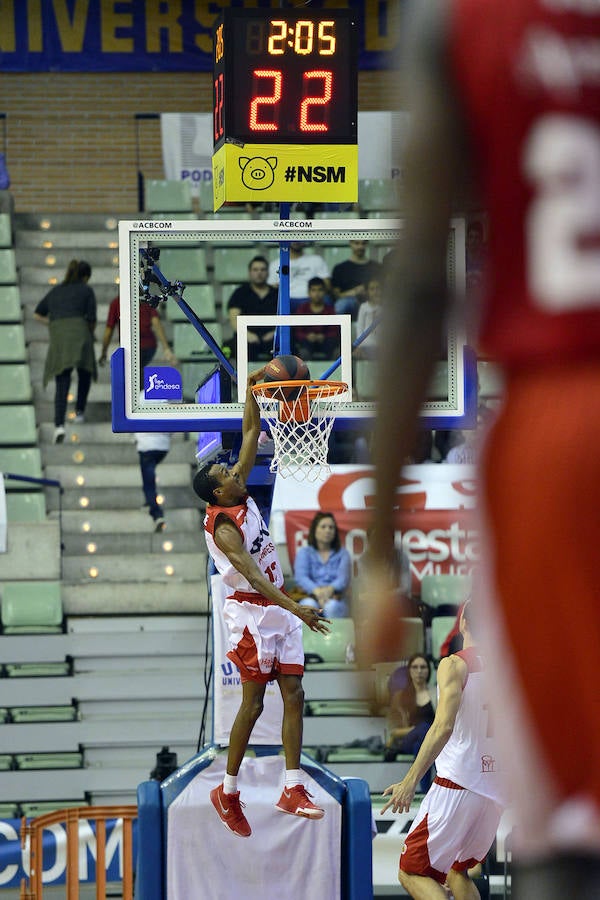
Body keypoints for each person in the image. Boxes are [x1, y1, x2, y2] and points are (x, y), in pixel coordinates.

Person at [369, 0, 600, 895]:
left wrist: (381, 551)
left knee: (571, 835)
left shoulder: (456, 24)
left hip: (557, 423)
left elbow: (423, 281)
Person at [192, 368, 330, 838]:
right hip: (252, 613)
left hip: (279, 606)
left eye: (230, 469)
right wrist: (297, 609)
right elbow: (251, 577)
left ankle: (291, 786)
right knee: (252, 706)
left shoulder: (240, 486)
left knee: (295, 694)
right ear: (217, 492)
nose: (233, 471)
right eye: (224, 473)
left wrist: (254, 385)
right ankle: (227, 792)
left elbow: (251, 429)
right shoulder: (224, 527)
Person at [381, 603, 505, 898]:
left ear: (463, 622)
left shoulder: (454, 664)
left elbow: (442, 727)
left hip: (458, 783)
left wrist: (410, 780)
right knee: (457, 871)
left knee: (411, 871)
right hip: (495, 789)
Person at [33, 259, 97, 444]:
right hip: (80, 332)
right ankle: (79, 412)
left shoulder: (56, 290)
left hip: (60, 337)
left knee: (62, 381)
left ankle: (59, 425)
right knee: (85, 373)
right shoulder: (86, 290)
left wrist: (53, 324)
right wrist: (90, 335)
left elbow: (37, 314)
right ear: (85, 277)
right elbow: (91, 318)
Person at [98, 295, 176, 383]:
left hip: (138, 346)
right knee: (136, 371)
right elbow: (156, 323)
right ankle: (139, 389)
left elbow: (109, 330)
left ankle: (138, 390)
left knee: (134, 372)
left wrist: (104, 352)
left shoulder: (118, 302)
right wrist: (166, 348)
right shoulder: (145, 301)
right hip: (147, 346)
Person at [293, 511, 352, 619]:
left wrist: (329, 590)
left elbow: (343, 579)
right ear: (315, 530)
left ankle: (334, 636)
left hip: (335, 597)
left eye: (331, 527)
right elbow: (301, 577)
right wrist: (317, 591)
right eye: (323, 527)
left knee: (331, 606)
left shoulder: (343, 553)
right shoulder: (304, 552)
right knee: (308, 605)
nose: (328, 530)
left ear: (335, 532)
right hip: (310, 595)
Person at [384, 653, 435, 763]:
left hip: (429, 742)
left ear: (429, 670)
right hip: (407, 741)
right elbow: (393, 730)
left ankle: (423, 781)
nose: (419, 671)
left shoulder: (437, 694)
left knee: (419, 746)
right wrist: (417, 729)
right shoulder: (399, 697)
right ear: (409, 670)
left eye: (423, 667)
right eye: (415, 667)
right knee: (424, 728)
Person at [226, 256, 278, 361]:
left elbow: (285, 318)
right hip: (247, 337)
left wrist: (275, 334)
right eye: (255, 270)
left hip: (272, 338)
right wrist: (247, 335)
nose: (259, 273)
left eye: (263, 270)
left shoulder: (277, 294)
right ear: (249, 272)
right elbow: (233, 319)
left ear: (268, 273)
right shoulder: (240, 293)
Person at [268, 242, 331, 312]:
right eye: (293, 237)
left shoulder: (316, 260)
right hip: (286, 300)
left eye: (298, 236)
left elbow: (327, 284)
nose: (296, 241)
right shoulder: (275, 263)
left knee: (327, 299)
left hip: (311, 299)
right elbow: (271, 287)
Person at [330, 240, 382, 318]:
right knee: (341, 305)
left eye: (363, 243)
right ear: (350, 243)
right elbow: (336, 295)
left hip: (372, 300)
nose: (360, 247)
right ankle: (335, 330)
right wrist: (354, 292)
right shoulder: (340, 268)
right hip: (350, 302)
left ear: (367, 244)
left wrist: (368, 291)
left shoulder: (376, 267)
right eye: (357, 243)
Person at [293, 277, 340, 361]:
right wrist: (307, 336)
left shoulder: (330, 310)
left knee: (336, 351)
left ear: (324, 292)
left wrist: (324, 336)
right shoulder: (302, 309)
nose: (317, 293)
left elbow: (335, 331)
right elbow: (297, 331)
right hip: (307, 342)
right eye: (313, 290)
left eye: (320, 290)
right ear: (308, 292)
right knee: (302, 351)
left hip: (326, 342)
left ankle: (334, 373)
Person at [135, 428, 171, 532]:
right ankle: (149, 500)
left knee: (148, 484)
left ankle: (157, 514)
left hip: (146, 446)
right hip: (163, 446)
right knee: (150, 476)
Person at [354, 276, 382, 359]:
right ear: (367, 292)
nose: (375, 291)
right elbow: (360, 327)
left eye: (378, 288)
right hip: (365, 344)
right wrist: (358, 345)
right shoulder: (364, 307)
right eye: (372, 289)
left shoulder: (385, 308)